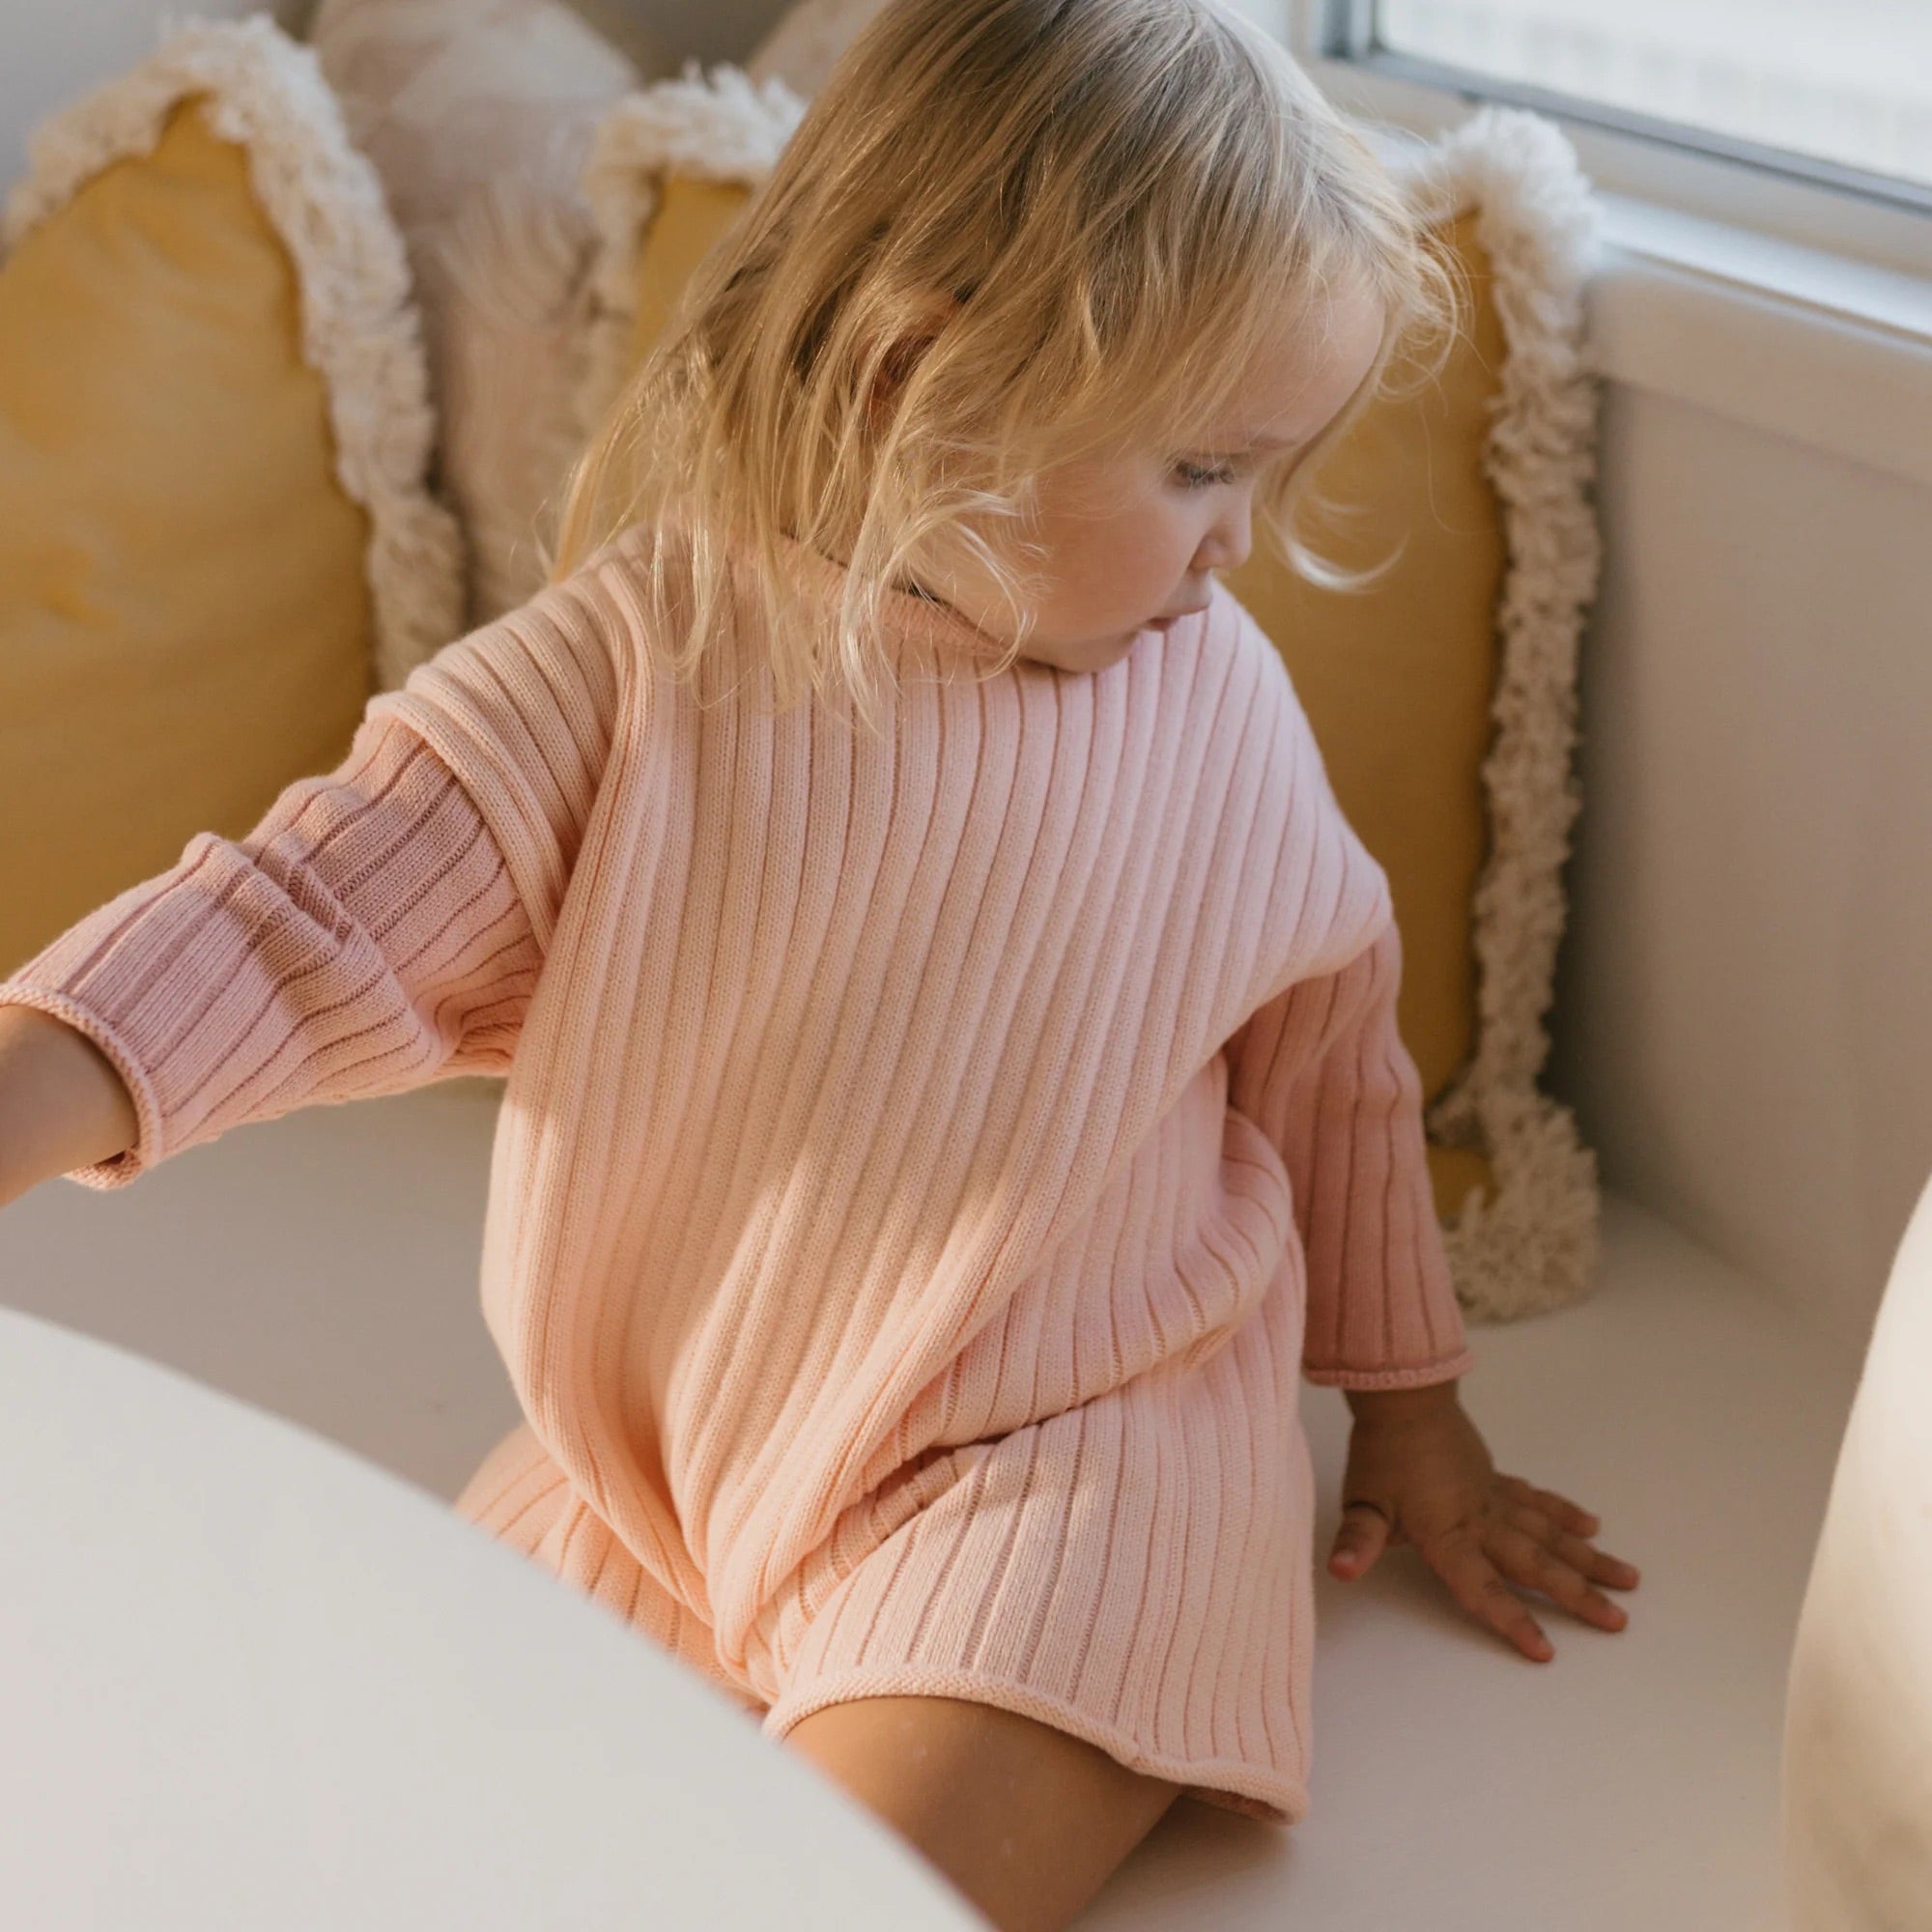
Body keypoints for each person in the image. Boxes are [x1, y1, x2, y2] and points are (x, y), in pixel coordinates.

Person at [0, 3, 1640, 1927]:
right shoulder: (644, 658)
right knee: (387, 1806)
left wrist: (1410, 1408)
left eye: (1266, 477)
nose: (1237, 549)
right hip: (674, 1474)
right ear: (911, 382)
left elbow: (1327, 1061)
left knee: (838, 1883)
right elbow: (303, 917)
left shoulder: (1221, 706)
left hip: (1075, 1455)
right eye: (1203, 470)